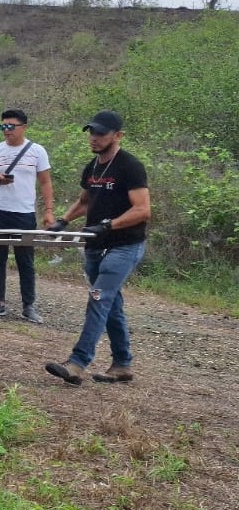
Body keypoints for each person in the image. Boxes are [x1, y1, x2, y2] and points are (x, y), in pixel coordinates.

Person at [45, 110, 151, 385]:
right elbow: (85, 201)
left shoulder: (130, 166)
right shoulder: (92, 167)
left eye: (101, 133)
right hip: (94, 246)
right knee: (110, 303)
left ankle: (77, 363)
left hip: (124, 246)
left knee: (99, 299)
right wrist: (63, 220)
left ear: (118, 136)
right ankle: (122, 364)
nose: (94, 138)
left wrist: (108, 225)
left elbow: (142, 210)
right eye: (92, 132)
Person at [0, 109, 55, 323]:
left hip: (24, 213)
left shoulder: (37, 151)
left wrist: (49, 211)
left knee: (26, 260)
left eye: (11, 126)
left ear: (23, 127)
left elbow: (45, 182)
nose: (6, 131)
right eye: (3, 126)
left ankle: (28, 305)